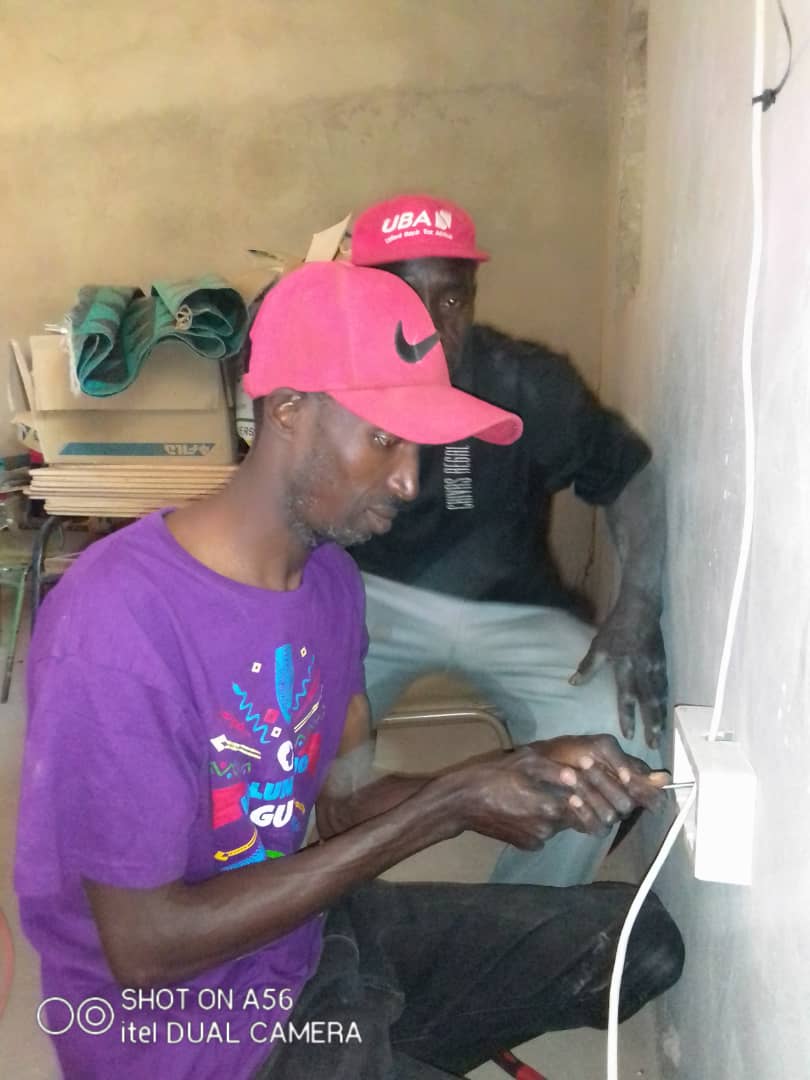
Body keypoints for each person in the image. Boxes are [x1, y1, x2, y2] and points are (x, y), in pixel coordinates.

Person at [15, 262, 683, 1080]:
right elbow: (145, 950)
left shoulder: (330, 581)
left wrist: (515, 773)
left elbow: (340, 807)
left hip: (300, 941)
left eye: (418, 444)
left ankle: (375, 1049)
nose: (408, 479)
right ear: (288, 410)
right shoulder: (114, 625)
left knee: (637, 942)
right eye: (384, 438)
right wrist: (448, 805)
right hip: (186, 1039)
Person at [349, 194, 669, 887]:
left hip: (515, 608)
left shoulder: (525, 381)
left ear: (473, 296)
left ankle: (524, 912)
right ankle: (321, 902)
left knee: (621, 740)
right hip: (364, 602)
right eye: (402, 297)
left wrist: (639, 607)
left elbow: (631, 477)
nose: (430, 325)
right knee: (279, 737)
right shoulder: (328, 385)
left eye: (450, 299)